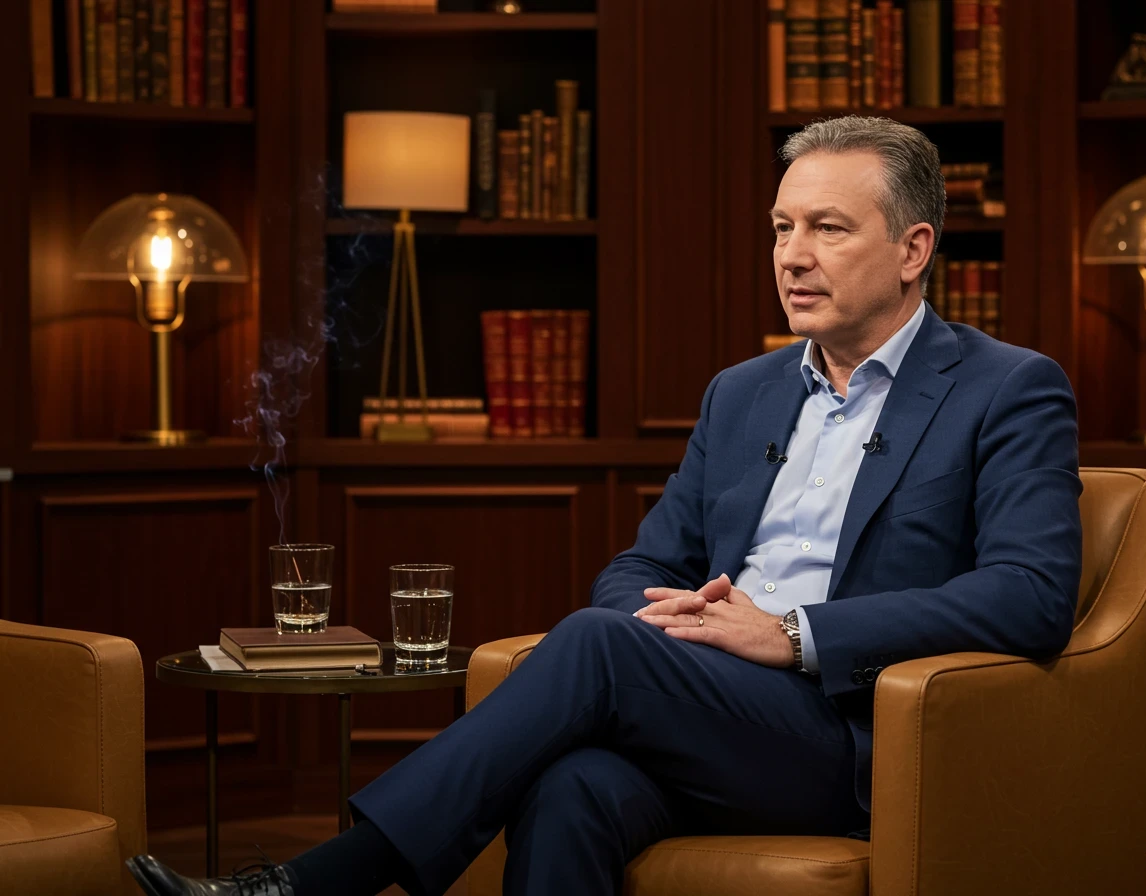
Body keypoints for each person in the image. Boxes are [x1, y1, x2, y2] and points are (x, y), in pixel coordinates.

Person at [126, 115, 1082, 896]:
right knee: (572, 787)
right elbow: (638, 568)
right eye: (782, 228)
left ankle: (316, 883)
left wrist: (791, 632)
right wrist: (684, 626)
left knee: (589, 641)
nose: (794, 255)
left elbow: (1030, 592)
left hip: (854, 735)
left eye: (828, 228)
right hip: (706, 707)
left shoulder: (1006, 388)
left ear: (914, 248)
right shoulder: (742, 391)